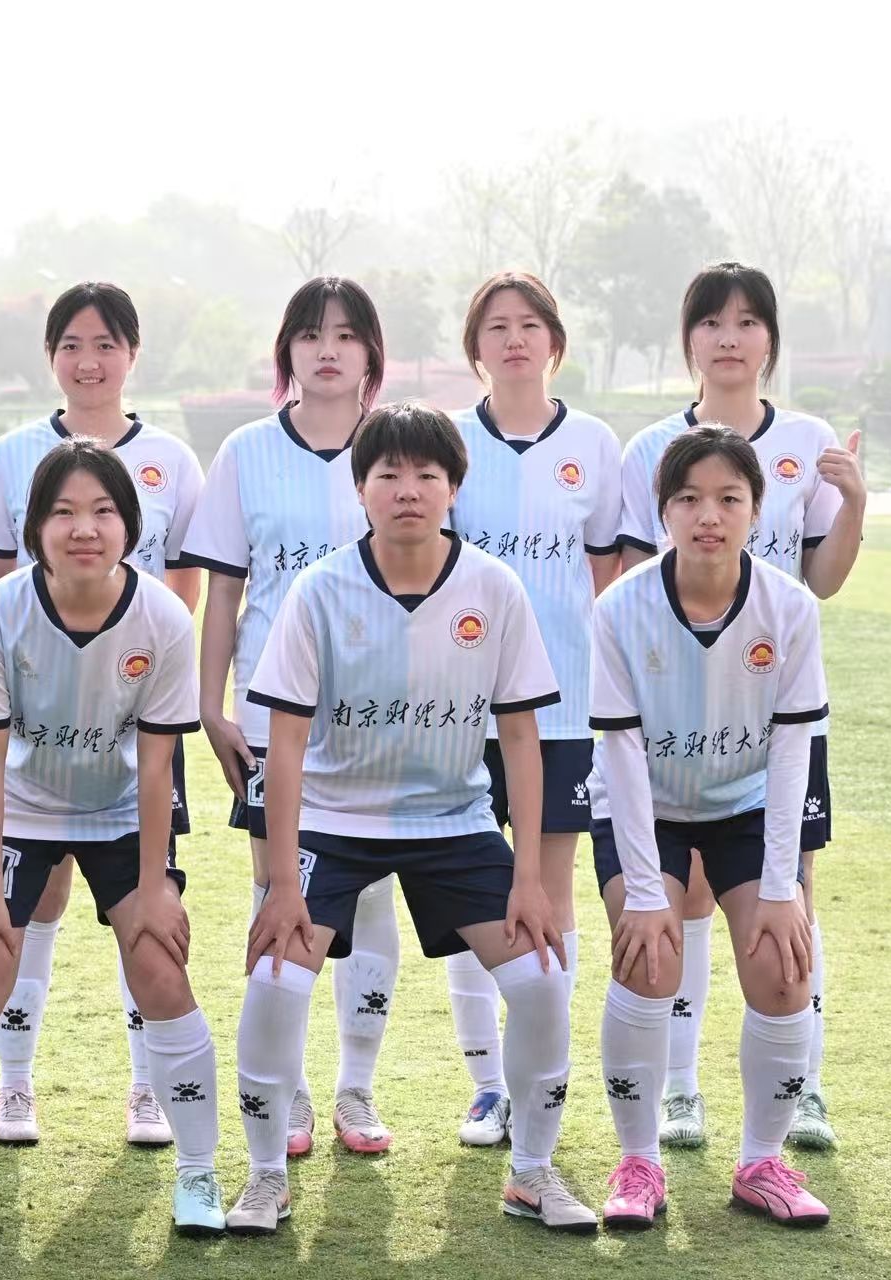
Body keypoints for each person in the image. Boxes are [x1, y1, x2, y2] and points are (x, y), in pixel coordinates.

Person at [229, 402, 594, 1235]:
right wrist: (281, 884)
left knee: (542, 978)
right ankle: (263, 1178)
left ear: (453, 487)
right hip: (333, 818)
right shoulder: (319, 590)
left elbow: (521, 738)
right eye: (388, 473)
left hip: (454, 822)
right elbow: (284, 746)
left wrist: (529, 879)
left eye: (427, 474)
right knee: (275, 981)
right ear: (360, 488)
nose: (407, 489)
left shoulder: (493, 587)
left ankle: (532, 1172)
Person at [0, 438, 222, 1241]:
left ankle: (199, 1172)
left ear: (129, 527)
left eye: (102, 511)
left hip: (121, 811)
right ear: (35, 530)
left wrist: (155, 886)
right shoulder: (0, 613)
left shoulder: (163, 616)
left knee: (160, 969)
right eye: (63, 513)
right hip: (23, 809)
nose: (83, 528)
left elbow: (157, 767)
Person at [614, 262, 864, 1151]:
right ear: (688, 340)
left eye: (748, 321)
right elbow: (632, 586)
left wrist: (855, 501)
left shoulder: (807, 440)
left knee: (790, 893)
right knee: (679, 895)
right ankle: (681, 1090)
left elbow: (822, 577)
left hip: (779, 714)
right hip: (677, 716)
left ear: (770, 340)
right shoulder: (649, 448)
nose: (730, 336)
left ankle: (807, 1087)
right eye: (712, 321)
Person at [0, 282, 203, 1146]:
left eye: (106, 343)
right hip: (37, 728)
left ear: (132, 353)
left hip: (135, 715)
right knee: (35, 904)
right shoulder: (10, 455)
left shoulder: (173, 459)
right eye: (71, 343)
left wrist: (125, 671)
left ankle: (148, 1091)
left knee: (144, 912)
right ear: (50, 356)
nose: (89, 360)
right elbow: (3, 591)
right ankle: (15, 1086)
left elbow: (179, 592)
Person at [591, 424, 832, 1229]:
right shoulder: (620, 608)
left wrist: (781, 886)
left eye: (730, 498)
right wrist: (645, 894)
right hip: (647, 805)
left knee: (783, 968)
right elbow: (621, 756)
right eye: (689, 498)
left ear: (757, 510)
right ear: (663, 511)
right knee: (648, 958)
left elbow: (793, 751)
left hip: (746, 804)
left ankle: (762, 1163)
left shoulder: (789, 607)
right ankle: (639, 1163)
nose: (709, 515)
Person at [180, 276, 397, 1157]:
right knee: (280, 891)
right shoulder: (245, 452)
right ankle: (293, 1090)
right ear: (287, 352)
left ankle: (357, 1088)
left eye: (345, 335)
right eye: (310, 335)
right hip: (273, 719)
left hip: (380, 717)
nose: (327, 350)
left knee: (371, 902)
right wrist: (211, 707)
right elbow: (225, 593)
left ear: (371, 353)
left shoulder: (395, 448)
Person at [443, 271, 622, 1147]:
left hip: (561, 712)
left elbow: (605, 573)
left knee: (551, 894)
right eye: (496, 326)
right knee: (471, 891)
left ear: (555, 340)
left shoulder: (593, 442)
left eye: (529, 325)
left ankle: (540, 1078)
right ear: (475, 347)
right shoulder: (449, 441)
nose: (514, 340)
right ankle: (488, 1087)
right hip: (459, 711)